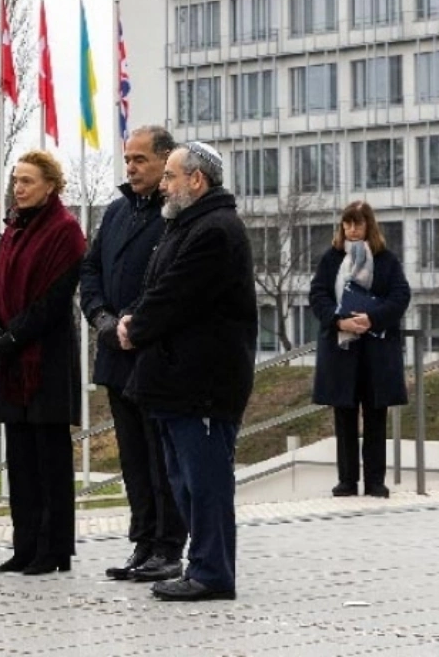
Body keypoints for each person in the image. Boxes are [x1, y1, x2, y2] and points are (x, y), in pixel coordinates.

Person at [118, 141, 257, 602]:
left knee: (206, 482)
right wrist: (132, 318)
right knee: (184, 482)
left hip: (204, 382)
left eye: (171, 176)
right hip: (176, 380)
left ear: (196, 180)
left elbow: (176, 295)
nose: (163, 185)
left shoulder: (215, 230)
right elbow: (156, 287)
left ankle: (213, 572)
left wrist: (134, 328)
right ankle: (202, 566)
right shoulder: (186, 225)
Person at [80, 125, 187, 583]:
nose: (132, 167)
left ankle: (169, 545)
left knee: (161, 457)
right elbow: (90, 270)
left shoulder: (176, 214)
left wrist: (135, 323)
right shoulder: (117, 211)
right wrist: (102, 319)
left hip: (155, 354)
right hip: (114, 354)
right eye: (128, 159)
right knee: (132, 459)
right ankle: (143, 541)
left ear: (166, 160)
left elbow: (173, 282)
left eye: (140, 159)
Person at [0, 151, 86, 576]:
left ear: (51, 185)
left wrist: (15, 334)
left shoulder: (65, 231)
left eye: (28, 181)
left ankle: (54, 547)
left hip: (45, 358)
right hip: (13, 359)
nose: (19, 188)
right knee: (21, 459)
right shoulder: (13, 229)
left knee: (50, 457)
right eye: (16, 180)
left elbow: (55, 297)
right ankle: (25, 544)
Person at [309, 201, 411, 499]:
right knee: (345, 416)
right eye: (347, 224)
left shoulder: (386, 260)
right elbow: (318, 295)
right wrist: (339, 321)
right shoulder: (331, 259)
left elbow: (401, 295)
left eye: (358, 224)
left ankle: (375, 481)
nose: (352, 229)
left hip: (377, 351)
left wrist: (372, 318)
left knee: (376, 415)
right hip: (342, 351)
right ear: (342, 227)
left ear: (369, 226)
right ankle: (347, 480)